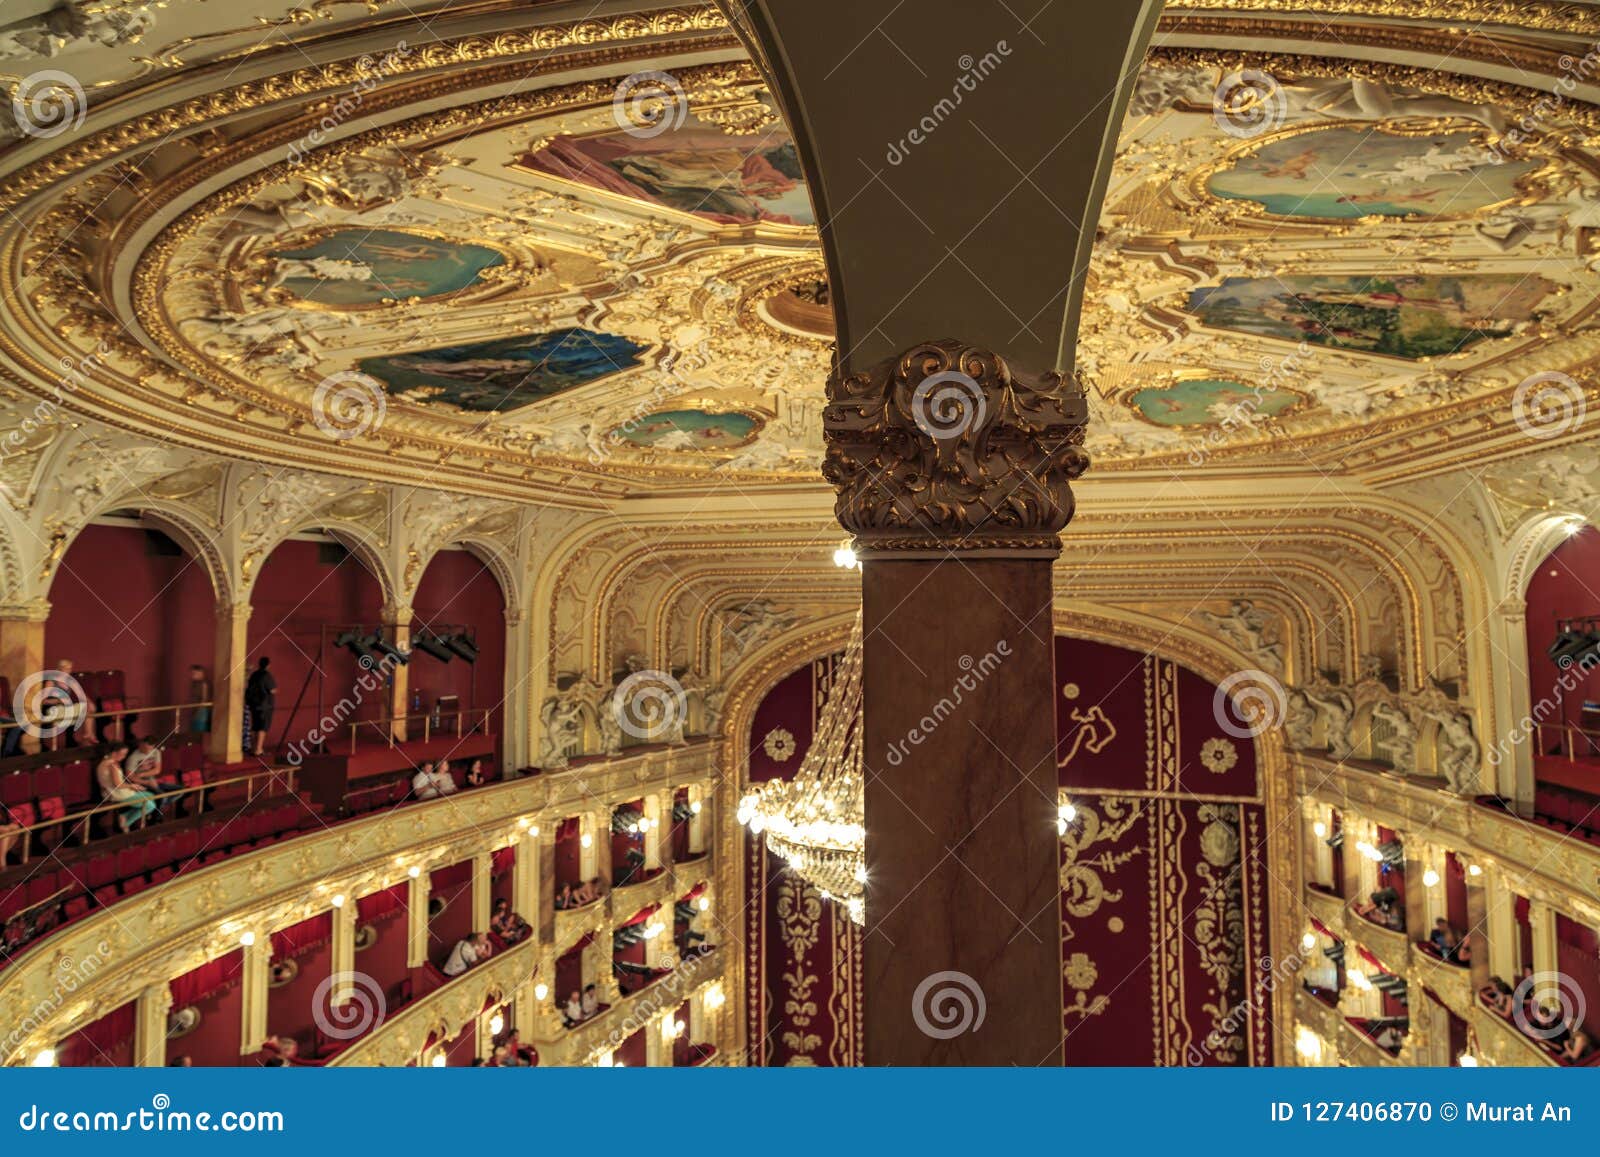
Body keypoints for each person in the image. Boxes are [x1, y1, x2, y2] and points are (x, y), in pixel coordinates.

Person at [96, 743, 156, 831]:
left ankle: (124, 816)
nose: (124, 757)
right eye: (122, 754)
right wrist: (133, 786)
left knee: (150, 795)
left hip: (114, 791)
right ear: (114, 753)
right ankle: (126, 822)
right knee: (150, 806)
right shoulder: (112, 765)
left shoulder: (104, 762)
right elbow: (118, 785)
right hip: (116, 794)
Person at [244, 657, 275, 757]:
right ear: (268, 665)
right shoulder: (267, 675)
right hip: (264, 705)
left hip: (254, 705)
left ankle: (253, 748)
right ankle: (259, 749)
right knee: (262, 727)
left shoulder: (254, 675)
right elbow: (272, 690)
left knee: (255, 726)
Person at [189, 665, 212, 733]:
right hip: (195, 709)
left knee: (200, 729)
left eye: (194, 673)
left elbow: (204, 699)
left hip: (202, 710)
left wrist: (198, 709)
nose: (193, 676)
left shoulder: (204, 684)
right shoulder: (194, 684)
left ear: (201, 673)